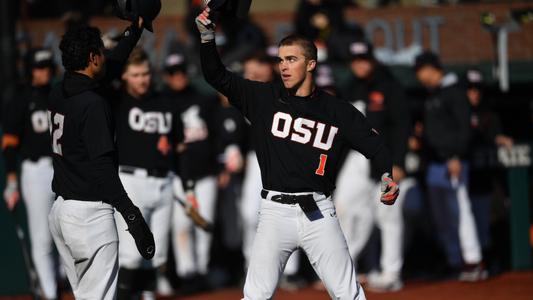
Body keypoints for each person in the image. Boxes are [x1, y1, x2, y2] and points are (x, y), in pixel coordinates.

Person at [196, 7, 399, 299]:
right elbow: (216, 75)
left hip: (319, 213)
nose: (284, 66)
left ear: (312, 64)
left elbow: (376, 147)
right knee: (254, 296)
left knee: (349, 295)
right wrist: (207, 38)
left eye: (292, 59)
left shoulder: (337, 111)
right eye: (280, 60)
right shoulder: (264, 98)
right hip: (274, 213)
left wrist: (386, 175)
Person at [47, 21, 155, 299]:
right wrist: (133, 216)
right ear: (93, 58)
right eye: (101, 53)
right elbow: (103, 172)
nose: (106, 57)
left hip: (61, 213)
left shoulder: (59, 91)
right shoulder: (93, 104)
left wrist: (135, 29)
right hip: (89, 217)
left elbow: (113, 65)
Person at [335, 38, 410, 292]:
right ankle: (344, 269)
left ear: (372, 60)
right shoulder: (349, 87)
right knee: (343, 207)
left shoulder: (389, 86)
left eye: (363, 60)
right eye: (355, 61)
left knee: (388, 215)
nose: (360, 65)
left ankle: (391, 273)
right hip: (356, 159)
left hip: (385, 157)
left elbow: (401, 126)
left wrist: (398, 161)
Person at [113, 48, 183, 300]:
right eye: (135, 74)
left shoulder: (164, 101)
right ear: (124, 77)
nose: (142, 79)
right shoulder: (118, 101)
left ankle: (145, 295)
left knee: (157, 252)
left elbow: (178, 143)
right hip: (131, 180)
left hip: (163, 180)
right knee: (131, 252)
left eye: (145, 73)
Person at [414, 51, 487, 281]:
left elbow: (465, 127)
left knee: (460, 211)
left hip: (452, 161)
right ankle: (455, 261)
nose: (419, 77)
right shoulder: (433, 95)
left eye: (421, 71)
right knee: (443, 217)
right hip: (436, 162)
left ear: (432, 68)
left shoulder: (454, 90)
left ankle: (473, 261)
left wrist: (457, 155)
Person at [2, 48, 58, 300]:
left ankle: (58, 286)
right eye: (39, 67)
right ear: (30, 70)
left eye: (47, 66)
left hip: (63, 168)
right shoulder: (21, 99)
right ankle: (49, 292)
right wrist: (11, 180)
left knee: (66, 232)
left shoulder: (60, 95)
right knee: (42, 237)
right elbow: (9, 144)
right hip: (36, 170)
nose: (44, 71)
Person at [161, 50, 219, 289]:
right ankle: (187, 273)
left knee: (204, 224)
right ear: (166, 76)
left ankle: (202, 271)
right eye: (173, 73)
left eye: (181, 72)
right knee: (182, 226)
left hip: (205, 172)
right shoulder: (161, 102)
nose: (178, 77)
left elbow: (216, 134)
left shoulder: (202, 99)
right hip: (176, 175)